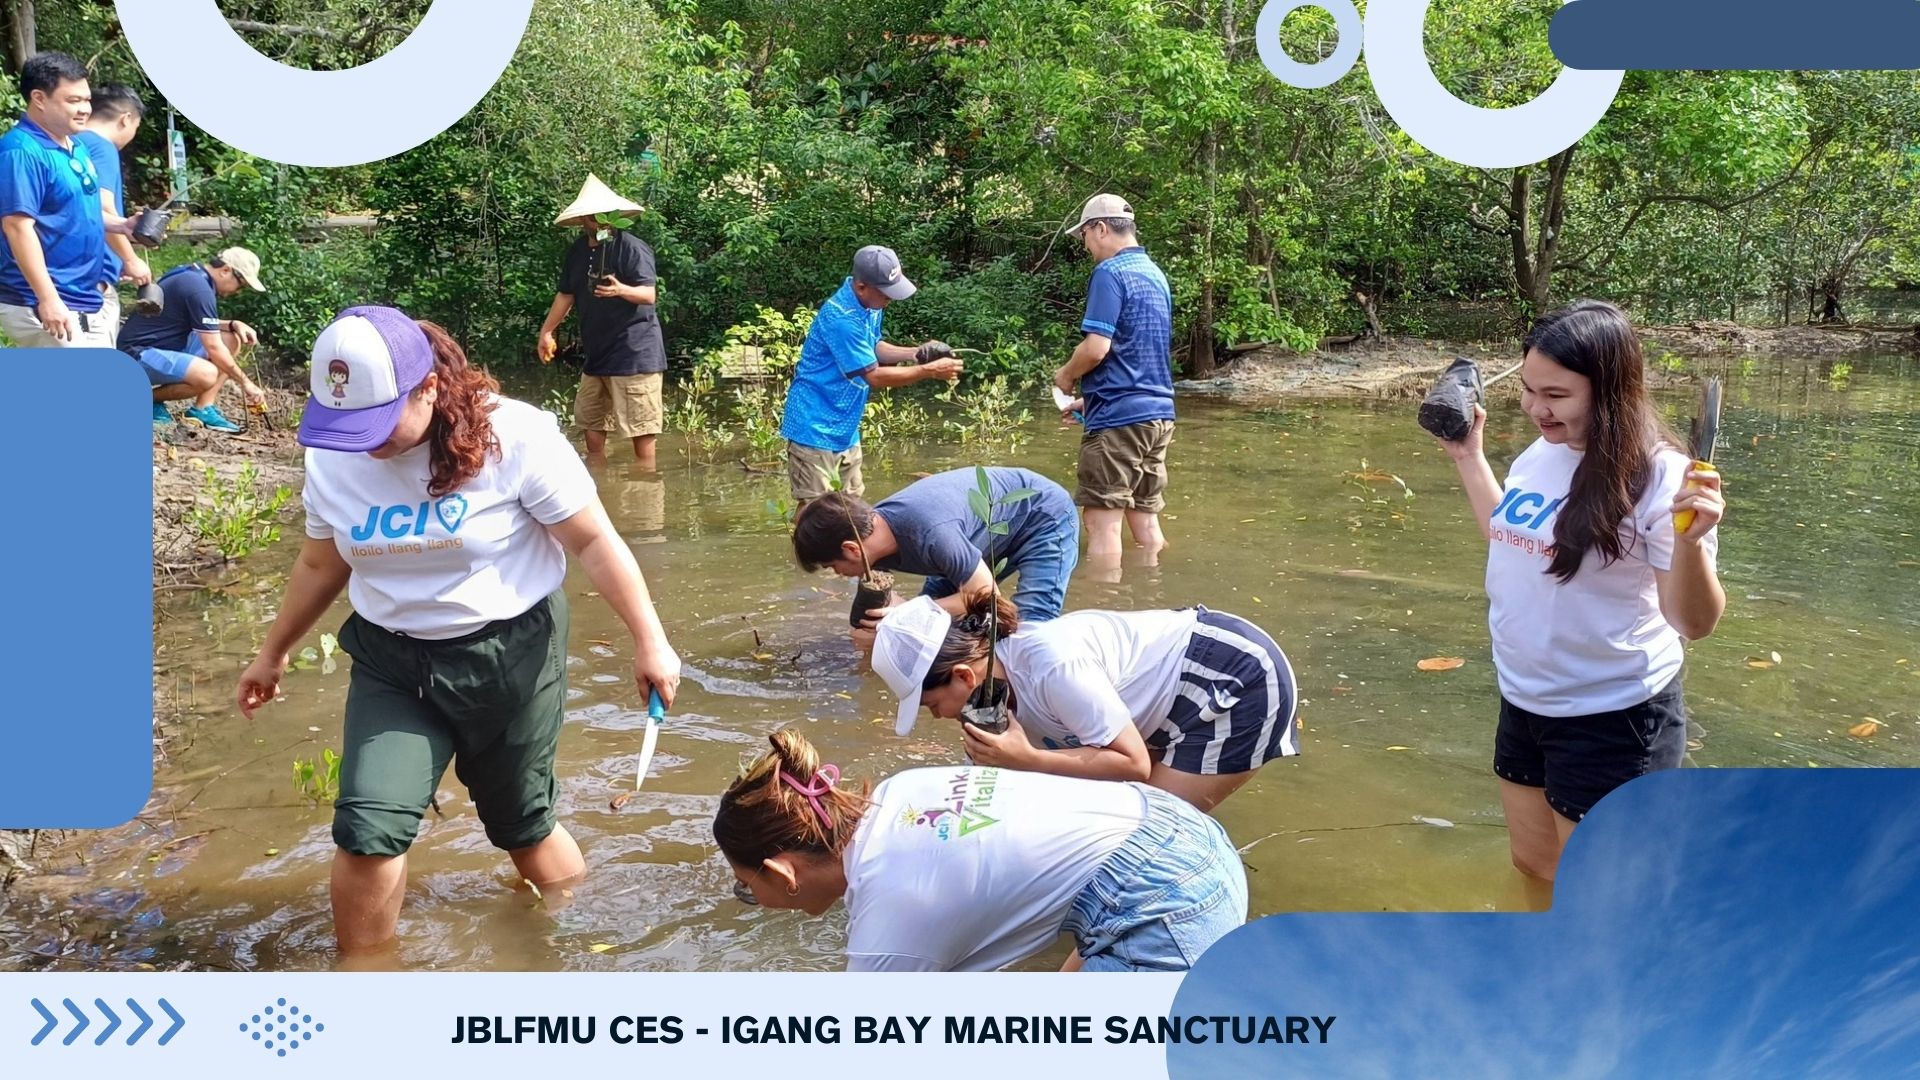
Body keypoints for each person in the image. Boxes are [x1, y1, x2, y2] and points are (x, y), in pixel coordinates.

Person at [234, 306, 682, 956]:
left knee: (522, 826)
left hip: (511, 656)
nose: (364, 443)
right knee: (368, 827)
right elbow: (319, 561)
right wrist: (271, 654)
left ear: (430, 389)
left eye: (379, 424)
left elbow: (593, 543)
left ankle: (576, 942)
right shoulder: (334, 456)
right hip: (393, 662)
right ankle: (363, 984)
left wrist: (650, 638)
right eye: (347, 426)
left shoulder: (517, 437)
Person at [1437, 299, 1725, 885]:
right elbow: (1512, 539)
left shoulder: (1662, 477)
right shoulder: (1543, 450)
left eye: (1556, 395)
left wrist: (1693, 543)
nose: (1535, 408)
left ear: (1611, 389)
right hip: (1526, 701)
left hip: (1612, 717)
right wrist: (1469, 457)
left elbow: (1692, 623)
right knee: (1535, 866)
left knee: (1604, 894)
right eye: (1527, 389)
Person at [714, 728, 1247, 972]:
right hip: (1177, 829)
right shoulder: (901, 792)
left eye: (748, 886)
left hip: (1163, 904)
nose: (752, 896)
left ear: (782, 872)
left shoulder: (892, 925)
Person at [874, 592, 1297, 812]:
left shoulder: (1052, 668)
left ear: (965, 675)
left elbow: (1132, 765)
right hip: (1166, 700)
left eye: (933, 706)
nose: (941, 717)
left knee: (1146, 828)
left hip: (1233, 678)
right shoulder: (995, 690)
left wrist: (1026, 760)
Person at [790, 466, 1079, 643]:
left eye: (832, 566)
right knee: (942, 629)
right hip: (978, 536)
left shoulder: (930, 533)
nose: (837, 574)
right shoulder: (869, 537)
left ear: (851, 549)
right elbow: (889, 613)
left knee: (1031, 632)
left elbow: (986, 595)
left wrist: (909, 612)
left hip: (1041, 515)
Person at [778, 245, 965, 509]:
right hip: (814, 424)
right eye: (886, 293)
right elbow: (874, 376)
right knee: (815, 512)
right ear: (862, 286)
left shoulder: (869, 306)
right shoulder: (841, 319)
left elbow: (873, 347)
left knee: (851, 507)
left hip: (844, 425)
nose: (891, 299)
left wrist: (918, 353)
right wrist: (928, 371)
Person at [1055, 193, 1176, 568]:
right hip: (1159, 415)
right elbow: (1141, 354)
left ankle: (1104, 607)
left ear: (1101, 228)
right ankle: (1150, 596)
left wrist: (1066, 375)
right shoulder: (1156, 275)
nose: (1087, 246)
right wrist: (1091, 400)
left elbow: (1096, 349)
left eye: (1086, 236)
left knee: (1100, 522)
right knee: (1145, 518)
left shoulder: (1110, 273)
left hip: (1120, 420)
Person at [536, 175, 667, 470]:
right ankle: (597, 483)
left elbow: (648, 294)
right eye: (595, 217)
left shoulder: (632, 248)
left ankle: (646, 487)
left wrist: (621, 290)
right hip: (597, 354)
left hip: (634, 353)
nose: (601, 222)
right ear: (584, 218)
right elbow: (565, 295)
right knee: (591, 420)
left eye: (607, 216)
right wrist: (547, 331)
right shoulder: (579, 251)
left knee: (641, 428)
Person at [0, 52, 130, 348]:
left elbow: (71, 213)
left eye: (86, 100)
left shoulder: (76, 145)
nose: (85, 109)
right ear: (39, 98)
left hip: (83, 295)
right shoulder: (21, 152)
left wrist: (123, 225)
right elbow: (17, 227)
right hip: (40, 298)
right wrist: (48, 299)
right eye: (73, 101)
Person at [116, 248, 268, 430]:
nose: (238, 291)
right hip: (137, 354)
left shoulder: (192, 275)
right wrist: (246, 383)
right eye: (241, 284)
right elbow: (213, 347)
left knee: (230, 338)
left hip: (160, 347)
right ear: (226, 270)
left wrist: (232, 324)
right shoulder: (199, 290)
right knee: (206, 374)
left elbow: (198, 324)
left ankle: (203, 409)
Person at [74, 82, 149, 342]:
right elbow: (102, 210)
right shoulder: (102, 148)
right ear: (126, 119)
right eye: (136, 128)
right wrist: (130, 259)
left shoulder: (69, 142)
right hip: (89, 286)